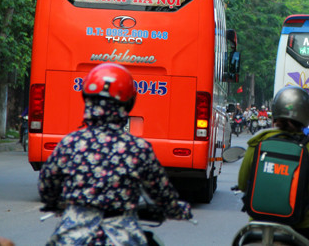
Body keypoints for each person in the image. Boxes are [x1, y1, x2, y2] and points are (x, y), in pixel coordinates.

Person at [38, 63, 193, 245]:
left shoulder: (70, 143)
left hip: (72, 237)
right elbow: (161, 192)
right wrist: (177, 209)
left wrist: (53, 202)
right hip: (124, 237)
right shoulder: (138, 148)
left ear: (87, 99)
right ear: (128, 103)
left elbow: (47, 184)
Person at [238, 86, 309, 245]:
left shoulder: (258, 141)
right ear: (307, 115)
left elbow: (242, 184)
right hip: (299, 226)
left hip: (258, 224)